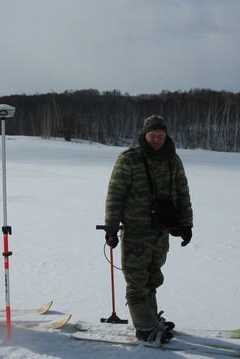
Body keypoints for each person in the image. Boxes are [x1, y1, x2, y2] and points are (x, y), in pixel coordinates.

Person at [104, 114, 193, 343]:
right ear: (145, 135)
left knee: (153, 277)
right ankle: (145, 329)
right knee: (136, 280)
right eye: (152, 135)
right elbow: (115, 194)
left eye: (160, 135)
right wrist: (112, 226)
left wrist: (186, 224)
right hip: (135, 230)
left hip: (161, 231)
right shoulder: (129, 159)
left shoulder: (173, 160)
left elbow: (182, 193)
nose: (156, 139)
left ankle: (150, 318)